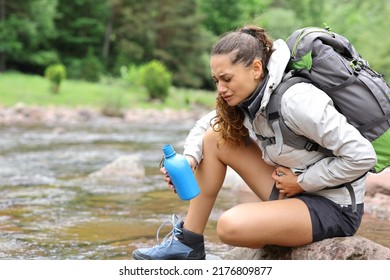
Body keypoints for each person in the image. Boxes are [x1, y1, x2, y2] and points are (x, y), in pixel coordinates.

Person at [132, 25, 377, 260]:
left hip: (333, 207)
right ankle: (188, 243)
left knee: (229, 226)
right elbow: (205, 126)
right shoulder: (250, 97)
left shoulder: (297, 101)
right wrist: (190, 160)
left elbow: (363, 156)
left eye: (226, 79)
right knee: (215, 138)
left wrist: (302, 182)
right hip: (291, 192)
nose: (221, 89)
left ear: (256, 68)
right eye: (216, 80)